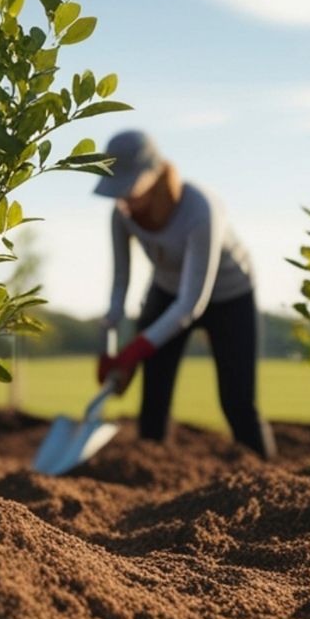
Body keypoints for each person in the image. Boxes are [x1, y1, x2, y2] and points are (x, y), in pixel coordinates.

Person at [93, 130, 275, 458]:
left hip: (229, 296)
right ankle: (149, 475)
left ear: (155, 173)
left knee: (237, 401)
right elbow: (121, 280)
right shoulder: (122, 215)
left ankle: (270, 476)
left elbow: (192, 303)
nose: (123, 199)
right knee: (154, 396)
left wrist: (136, 348)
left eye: (128, 186)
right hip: (166, 290)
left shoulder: (200, 209)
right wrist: (109, 337)